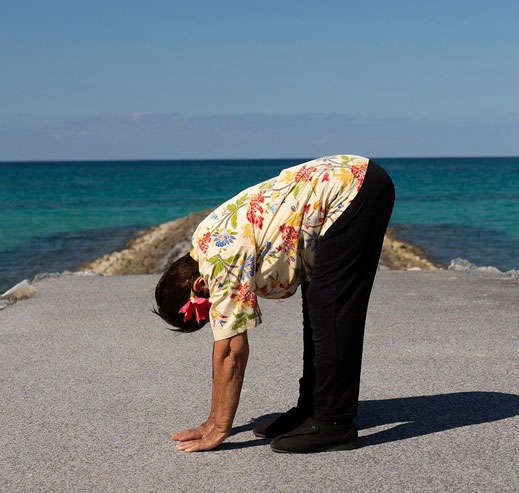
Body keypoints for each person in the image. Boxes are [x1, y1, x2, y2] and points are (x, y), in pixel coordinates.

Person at [153, 154, 395, 453]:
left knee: (333, 309)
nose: (212, 319)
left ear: (197, 287)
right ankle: (312, 408)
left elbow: (230, 351)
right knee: (320, 307)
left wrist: (217, 427)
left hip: (354, 191)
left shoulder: (219, 263)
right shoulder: (204, 238)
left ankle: (334, 423)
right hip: (345, 181)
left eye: (205, 316)